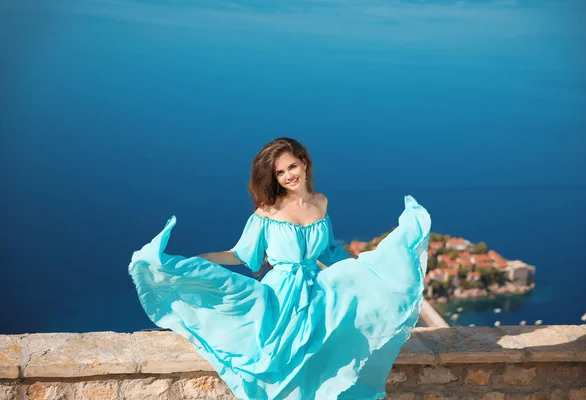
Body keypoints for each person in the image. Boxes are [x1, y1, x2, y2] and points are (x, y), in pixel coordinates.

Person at [128, 137, 431, 400]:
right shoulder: (267, 212)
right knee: (282, 367)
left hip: (319, 293)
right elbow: (241, 254)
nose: (288, 176)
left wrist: (370, 270)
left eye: (292, 167)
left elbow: (329, 253)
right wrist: (201, 261)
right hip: (282, 296)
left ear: (304, 164)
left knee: (321, 362)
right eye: (280, 172)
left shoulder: (321, 203)